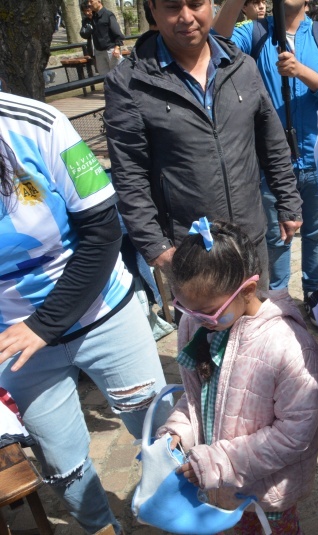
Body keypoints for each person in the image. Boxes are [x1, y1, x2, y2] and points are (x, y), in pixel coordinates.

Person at [0, 92, 169, 535]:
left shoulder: (39, 124)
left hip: (103, 312)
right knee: (63, 466)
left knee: (159, 428)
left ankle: (174, 510)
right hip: (14, 346)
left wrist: (42, 324)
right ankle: (102, 526)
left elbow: (102, 232)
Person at [104, 0, 302, 294]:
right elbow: (129, 172)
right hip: (191, 248)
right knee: (204, 335)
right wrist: (153, 244)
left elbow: (271, 141)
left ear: (211, 5)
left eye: (196, 4)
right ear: (153, 10)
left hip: (250, 239)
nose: (186, 17)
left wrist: (288, 200)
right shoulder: (129, 82)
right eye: (172, 7)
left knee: (256, 329)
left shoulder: (241, 66)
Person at [159, 219, 318, 535]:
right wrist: (179, 431)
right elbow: (198, 395)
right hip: (218, 480)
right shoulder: (198, 324)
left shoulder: (289, 345)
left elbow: (294, 434)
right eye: (185, 308)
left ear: (247, 290)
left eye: (208, 312)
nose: (197, 320)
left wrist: (218, 462)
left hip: (265, 491)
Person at [213, 0, 318, 311]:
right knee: (275, 238)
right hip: (269, 165)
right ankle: (277, 304)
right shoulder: (252, 32)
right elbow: (215, 42)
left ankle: (315, 300)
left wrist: (302, 72)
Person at [87, 0, 124, 76]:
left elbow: (117, 33)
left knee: (116, 76)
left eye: (91, 1)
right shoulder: (93, 17)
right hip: (98, 51)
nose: (89, 4)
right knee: (104, 77)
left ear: (99, 1)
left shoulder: (108, 15)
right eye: (88, 2)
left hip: (111, 50)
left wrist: (117, 47)